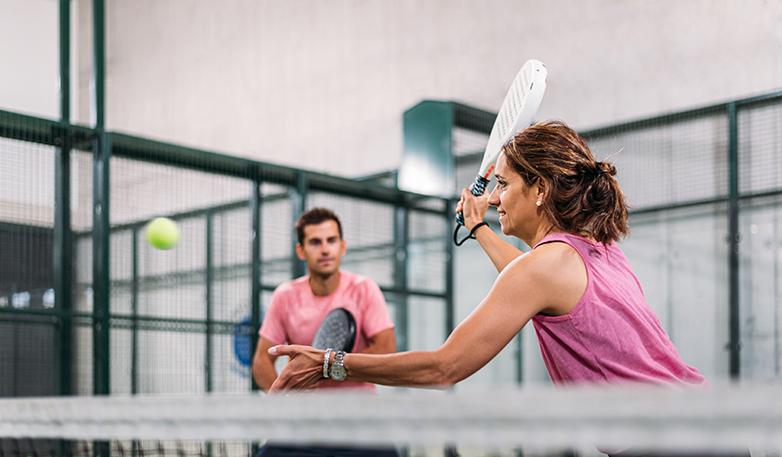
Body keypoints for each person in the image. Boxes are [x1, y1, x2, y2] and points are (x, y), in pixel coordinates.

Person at [268, 121, 721, 456]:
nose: (496, 196)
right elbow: (525, 278)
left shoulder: (546, 267)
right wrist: (480, 228)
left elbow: (443, 368)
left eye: (504, 184)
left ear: (540, 189)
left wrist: (330, 364)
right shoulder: (593, 249)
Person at [252, 207, 399, 457]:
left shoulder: (364, 289)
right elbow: (262, 360)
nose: (325, 249)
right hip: (304, 424)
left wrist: (326, 367)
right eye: (315, 242)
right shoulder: (285, 296)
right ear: (301, 250)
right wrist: (285, 401)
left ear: (342, 246)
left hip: (361, 421)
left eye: (331, 240)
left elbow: (386, 349)